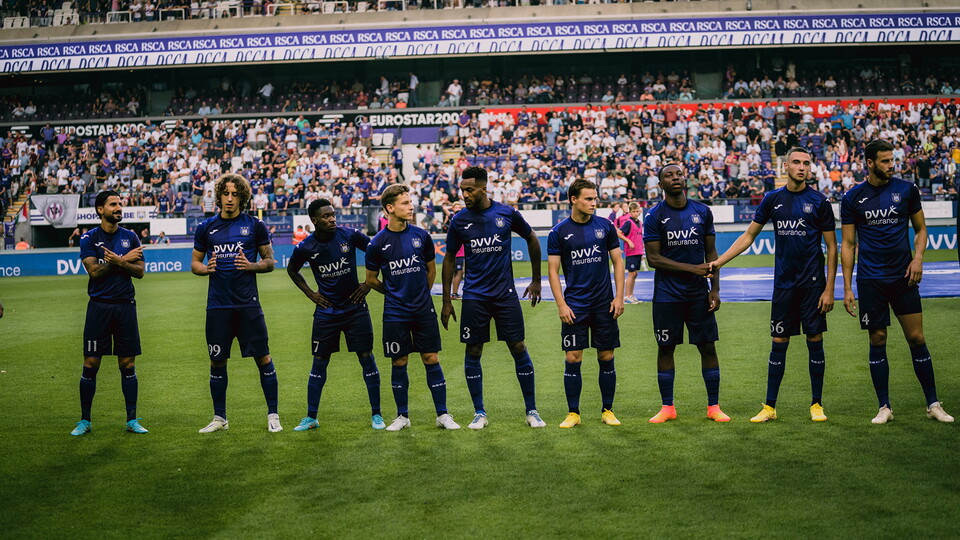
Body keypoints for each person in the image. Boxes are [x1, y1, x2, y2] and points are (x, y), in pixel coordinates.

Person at [711, 147, 837, 422]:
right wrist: (719, 262)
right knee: (779, 341)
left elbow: (832, 246)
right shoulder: (772, 199)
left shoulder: (819, 201)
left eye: (806, 163)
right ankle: (769, 407)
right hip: (784, 285)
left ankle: (816, 404)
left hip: (813, 286)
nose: (802, 167)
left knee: (815, 340)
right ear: (785, 167)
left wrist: (829, 289)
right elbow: (748, 236)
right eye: (796, 162)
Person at [840, 139, 953, 424]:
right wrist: (847, 287)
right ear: (870, 163)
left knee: (917, 338)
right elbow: (848, 244)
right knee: (877, 339)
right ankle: (884, 407)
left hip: (904, 277)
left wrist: (918, 258)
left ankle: (933, 404)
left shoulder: (907, 189)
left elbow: (921, 229)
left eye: (892, 160)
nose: (892, 165)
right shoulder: (853, 197)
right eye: (885, 161)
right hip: (871, 280)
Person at [441, 166, 546, 430]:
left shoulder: (506, 213)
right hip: (474, 296)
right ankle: (479, 412)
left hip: (504, 295)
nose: (464, 194)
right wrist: (446, 300)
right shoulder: (459, 220)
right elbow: (449, 257)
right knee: (473, 350)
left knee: (518, 347)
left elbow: (532, 238)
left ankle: (532, 410)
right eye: (462, 190)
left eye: (469, 190)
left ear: (484, 188)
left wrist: (536, 280)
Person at [364, 184, 460, 432]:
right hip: (395, 313)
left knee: (431, 357)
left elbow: (431, 270)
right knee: (399, 360)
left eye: (410, 202)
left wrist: (420, 294)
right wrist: (394, 293)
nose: (411, 207)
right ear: (390, 208)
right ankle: (402, 416)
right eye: (405, 203)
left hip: (422, 310)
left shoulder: (421, 236)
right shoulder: (377, 243)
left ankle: (443, 414)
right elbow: (371, 280)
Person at [191, 173, 282, 433]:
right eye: (225, 193)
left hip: (247, 305)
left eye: (235, 194)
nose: (230, 199)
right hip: (217, 306)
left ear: (243, 198)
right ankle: (220, 418)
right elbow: (195, 263)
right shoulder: (206, 227)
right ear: (219, 196)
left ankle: (273, 415)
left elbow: (270, 262)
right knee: (217, 361)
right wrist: (205, 269)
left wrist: (251, 265)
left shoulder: (255, 225)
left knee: (263, 358)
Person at [287, 199, 384, 431]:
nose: (332, 219)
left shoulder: (349, 235)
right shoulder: (306, 247)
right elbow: (292, 270)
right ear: (314, 220)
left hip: (355, 308)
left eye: (333, 215)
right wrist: (311, 294)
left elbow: (377, 253)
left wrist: (368, 284)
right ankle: (311, 417)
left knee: (366, 357)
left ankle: (377, 415)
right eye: (326, 216)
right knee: (319, 361)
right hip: (326, 312)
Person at [643, 163, 728, 424]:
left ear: (685, 179)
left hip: (698, 294)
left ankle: (714, 407)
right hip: (666, 295)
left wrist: (715, 289)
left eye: (678, 174)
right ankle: (667, 408)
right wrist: (693, 269)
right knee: (666, 348)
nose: (675, 178)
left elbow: (711, 254)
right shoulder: (654, 216)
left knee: (707, 346)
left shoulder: (702, 211)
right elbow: (654, 259)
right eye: (668, 176)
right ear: (661, 185)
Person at [547, 179, 625, 428]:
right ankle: (573, 413)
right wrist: (561, 305)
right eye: (588, 199)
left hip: (604, 304)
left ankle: (608, 410)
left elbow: (618, 262)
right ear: (574, 199)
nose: (594, 203)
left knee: (606, 355)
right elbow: (552, 270)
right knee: (573, 357)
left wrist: (619, 296)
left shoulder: (605, 226)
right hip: (575, 306)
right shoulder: (558, 232)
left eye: (595, 198)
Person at [72, 190, 147, 436]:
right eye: (113, 204)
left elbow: (140, 272)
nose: (118, 207)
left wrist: (119, 261)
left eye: (120, 203)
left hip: (125, 306)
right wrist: (123, 260)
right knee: (91, 363)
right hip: (99, 307)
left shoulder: (131, 236)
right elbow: (94, 271)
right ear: (100, 209)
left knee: (127, 363)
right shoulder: (89, 238)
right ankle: (85, 420)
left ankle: (132, 420)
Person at [616, 202, 647, 304]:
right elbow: (619, 233)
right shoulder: (628, 223)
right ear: (630, 212)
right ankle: (627, 296)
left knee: (635, 273)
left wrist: (642, 248)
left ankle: (631, 295)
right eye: (633, 211)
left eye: (637, 211)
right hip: (631, 252)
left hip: (638, 251)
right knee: (631, 273)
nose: (635, 213)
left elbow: (639, 236)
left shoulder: (640, 222)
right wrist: (628, 241)